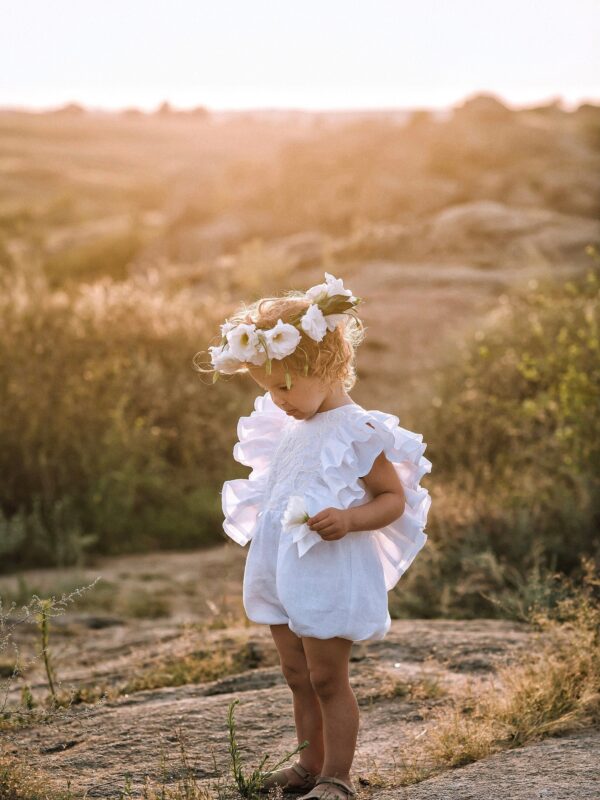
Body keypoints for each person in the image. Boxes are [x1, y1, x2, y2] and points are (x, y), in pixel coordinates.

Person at [196, 272, 432, 800]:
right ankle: (308, 764)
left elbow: (391, 500)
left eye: (285, 386)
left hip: (327, 566)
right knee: (295, 673)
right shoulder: (289, 425)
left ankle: (337, 776)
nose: (278, 400)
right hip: (283, 564)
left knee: (327, 678)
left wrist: (349, 520)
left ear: (326, 365)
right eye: (268, 390)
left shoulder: (358, 430)